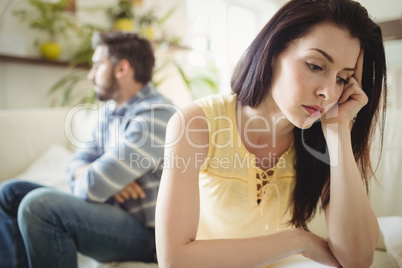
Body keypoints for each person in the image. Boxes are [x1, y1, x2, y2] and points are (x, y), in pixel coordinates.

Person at [155, 0, 387, 267]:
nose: (329, 93)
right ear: (274, 50)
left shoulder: (321, 137)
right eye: (315, 65)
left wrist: (338, 133)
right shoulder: (196, 124)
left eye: (342, 79)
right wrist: (299, 240)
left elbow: (358, 259)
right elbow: (174, 260)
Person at [0, 32, 175, 267]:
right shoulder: (110, 112)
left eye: (97, 65)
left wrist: (99, 179)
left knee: (39, 206)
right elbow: (75, 164)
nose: (91, 75)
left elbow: (92, 187)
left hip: (147, 234)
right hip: (109, 211)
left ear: (122, 68)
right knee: (9, 192)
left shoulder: (157, 115)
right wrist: (105, 179)